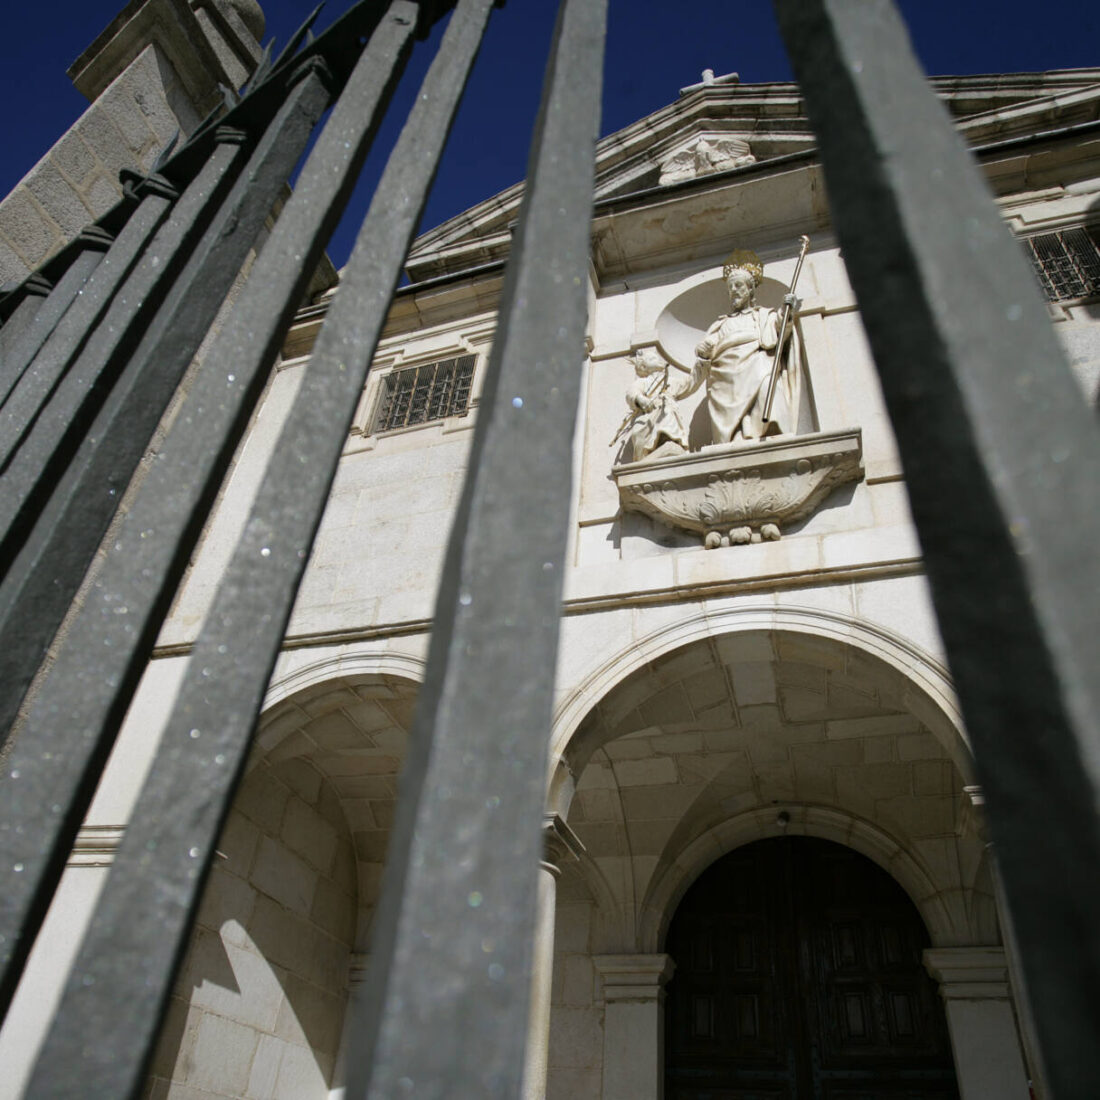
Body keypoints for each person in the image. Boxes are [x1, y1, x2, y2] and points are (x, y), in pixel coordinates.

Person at [648, 250, 804, 445]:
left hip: (757, 363)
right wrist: (704, 354)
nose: (734, 291)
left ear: (750, 289)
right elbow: (705, 357)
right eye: (730, 287)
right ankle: (735, 436)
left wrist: (787, 310)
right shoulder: (720, 324)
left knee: (766, 383)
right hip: (724, 374)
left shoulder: (763, 315)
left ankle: (771, 431)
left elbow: (779, 330)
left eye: (738, 286)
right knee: (729, 393)